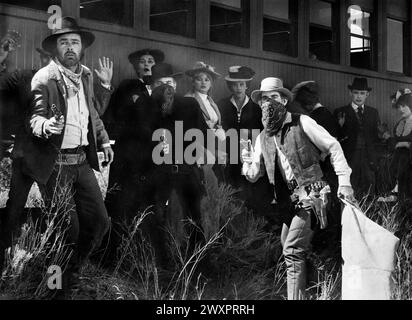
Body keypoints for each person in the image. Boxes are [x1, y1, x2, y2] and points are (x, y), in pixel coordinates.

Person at [23, 17, 114, 298]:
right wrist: (45, 126)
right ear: (55, 48)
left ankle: (71, 272)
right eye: (64, 42)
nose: (70, 47)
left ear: (82, 47)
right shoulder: (45, 78)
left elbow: (92, 114)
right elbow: (35, 117)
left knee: (100, 222)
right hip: (56, 165)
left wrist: (102, 139)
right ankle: (55, 288)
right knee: (68, 229)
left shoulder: (85, 75)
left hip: (82, 164)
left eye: (75, 42)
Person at [242, 77, 355, 300]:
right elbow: (254, 176)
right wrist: (246, 161)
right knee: (289, 245)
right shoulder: (262, 137)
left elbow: (333, 146)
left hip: (313, 194)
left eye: (273, 97)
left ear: (284, 100)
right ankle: (318, 287)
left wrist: (344, 181)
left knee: (292, 250)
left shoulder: (302, 122)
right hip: (288, 202)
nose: (268, 103)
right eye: (264, 99)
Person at [149, 62, 210, 268]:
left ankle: (198, 262)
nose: (166, 87)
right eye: (160, 83)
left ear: (174, 83)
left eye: (169, 82)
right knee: (157, 216)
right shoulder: (147, 107)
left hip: (185, 169)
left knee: (194, 216)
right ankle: (162, 262)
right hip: (159, 171)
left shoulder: (189, 105)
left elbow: (202, 135)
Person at [217, 66, 274, 223]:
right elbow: (217, 130)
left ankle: (249, 230)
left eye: (241, 84)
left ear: (247, 85)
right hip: (228, 157)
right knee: (229, 192)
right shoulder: (221, 105)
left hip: (249, 158)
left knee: (248, 195)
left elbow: (263, 135)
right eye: (234, 85)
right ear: (230, 86)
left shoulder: (256, 108)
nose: (238, 88)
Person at [103, 48, 164, 141]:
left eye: (150, 61)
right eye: (142, 62)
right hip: (133, 140)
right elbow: (117, 113)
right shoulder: (128, 85)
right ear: (137, 68)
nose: (146, 64)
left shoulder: (162, 87)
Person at [334, 77, 380, 197]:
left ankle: (369, 215)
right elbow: (335, 138)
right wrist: (340, 126)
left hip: (368, 160)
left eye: (362, 93)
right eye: (356, 93)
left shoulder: (373, 113)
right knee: (350, 191)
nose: (359, 96)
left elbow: (376, 138)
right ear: (350, 93)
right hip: (350, 159)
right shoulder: (340, 112)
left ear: (367, 94)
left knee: (369, 192)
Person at [185, 61, 226, 185]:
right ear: (193, 82)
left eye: (207, 80)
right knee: (207, 180)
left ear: (211, 83)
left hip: (215, 142)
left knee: (221, 178)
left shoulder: (210, 101)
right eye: (199, 79)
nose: (203, 82)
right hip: (199, 143)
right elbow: (191, 127)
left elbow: (216, 122)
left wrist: (219, 130)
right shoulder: (189, 99)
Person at [387, 92, 412, 200]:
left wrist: (408, 144)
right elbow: (395, 143)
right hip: (398, 164)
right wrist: (389, 139)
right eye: (399, 107)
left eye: (404, 106)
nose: (401, 109)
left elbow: (402, 143)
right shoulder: (399, 124)